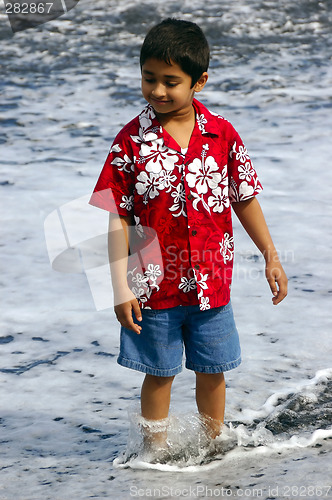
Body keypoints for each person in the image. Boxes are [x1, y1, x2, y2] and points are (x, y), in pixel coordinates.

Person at [89, 18, 287, 445]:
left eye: (170, 81)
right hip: (150, 285)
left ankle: (213, 447)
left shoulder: (222, 135)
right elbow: (116, 215)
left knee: (212, 371)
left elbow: (245, 198)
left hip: (211, 284)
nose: (157, 90)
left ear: (199, 82)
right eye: (149, 78)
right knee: (159, 376)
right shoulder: (130, 141)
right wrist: (119, 288)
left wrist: (270, 255)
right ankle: (153, 456)